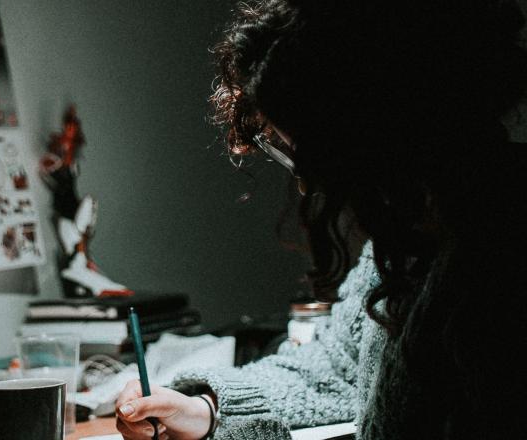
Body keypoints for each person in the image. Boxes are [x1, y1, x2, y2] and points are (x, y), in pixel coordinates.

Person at [116, 0, 527, 439]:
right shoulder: (408, 233)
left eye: (303, 149)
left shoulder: (494, 251)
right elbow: (337, 367)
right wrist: (206, 410)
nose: (307, 183)